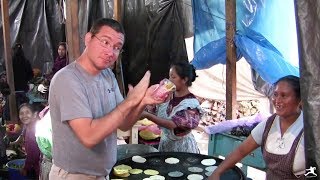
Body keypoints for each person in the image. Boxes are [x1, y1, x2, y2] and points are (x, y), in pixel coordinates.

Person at [48, 18, 165, 179]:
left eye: (117, 48)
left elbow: (124, 123)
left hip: (101, 174)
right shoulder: (68, 79)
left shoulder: (107, 75)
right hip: (74, 175)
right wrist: (130, 101)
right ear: (88, 39)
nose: (110, 52)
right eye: (105, 42)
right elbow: (89, 136)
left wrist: (142, 101)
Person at [209, 75, 305, 180]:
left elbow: (315, 168)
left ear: (299, 100)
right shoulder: (269, 125)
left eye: (284, 96)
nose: (277, 100)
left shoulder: (308, 130)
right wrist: (217, 172)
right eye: (275, 94)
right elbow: (241, 151)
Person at [141, 61, 202, 153]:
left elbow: (174, 124)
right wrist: (152, 100)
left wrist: (148, 116)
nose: (169, 80)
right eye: (169, 76)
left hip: (183, 149)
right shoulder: (168, 96)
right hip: (166, 145)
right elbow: (153, 110)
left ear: (184, 80)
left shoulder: (191, 104)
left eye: (173, 77)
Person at [11, 103, 42, 179]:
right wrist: (17, 141)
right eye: (21, 113)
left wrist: (25, 168)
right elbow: (23, 131)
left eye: (27, 112)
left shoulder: (33, 131)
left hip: (38, 166)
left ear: (34, 115)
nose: (24, 116)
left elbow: (33, 154)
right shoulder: (29, 125)